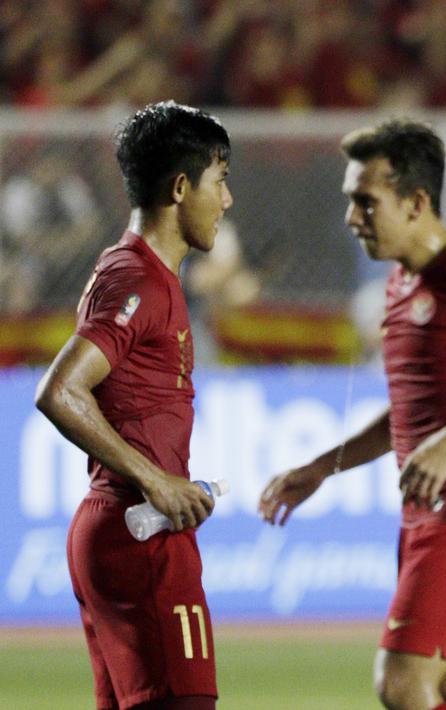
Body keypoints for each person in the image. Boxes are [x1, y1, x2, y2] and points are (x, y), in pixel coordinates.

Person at [258, 119, 446, 710]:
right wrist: (323, 467)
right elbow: (407, 414)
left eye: (365, 202)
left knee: (400, 682)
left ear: (417, 201)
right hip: (424, 516)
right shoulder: (399, 288)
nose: (352, 218)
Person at [34, 101, 233, 710]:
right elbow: (60, 389)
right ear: (181, 187)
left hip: (118, 529)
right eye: (220, 181)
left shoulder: (136, 272)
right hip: (139, 537)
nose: (227, 201)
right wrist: (155, 479)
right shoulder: (139, 282)